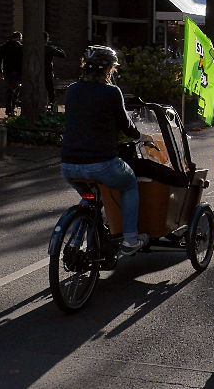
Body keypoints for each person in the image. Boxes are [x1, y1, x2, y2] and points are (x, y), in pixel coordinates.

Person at [60, 46, 150, 256]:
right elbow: (125, 125)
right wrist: (141, 137)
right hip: (102, 164)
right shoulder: (111, 92)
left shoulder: (72, 89)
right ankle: (130, 239)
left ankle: (76, 242)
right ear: (108, 69)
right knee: (129, 184)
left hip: (69, 165)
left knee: (90, 197)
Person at [0, 31, 23, 116]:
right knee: (16, 89)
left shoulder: (4, 46)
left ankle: (8, 109)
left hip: (7, 71)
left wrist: (0, 71)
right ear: (19, 37)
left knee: (9, 89)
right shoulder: (20, 47)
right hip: (17, 72)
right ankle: (11, 109)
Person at [44, 31, 66, 107]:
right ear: (46, 39)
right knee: (50, 90)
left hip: (36, 72)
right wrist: (58, 48)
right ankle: (51, 106)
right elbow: (62, 55)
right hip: (47, 72)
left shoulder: (35, 48)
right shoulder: (49, 49)